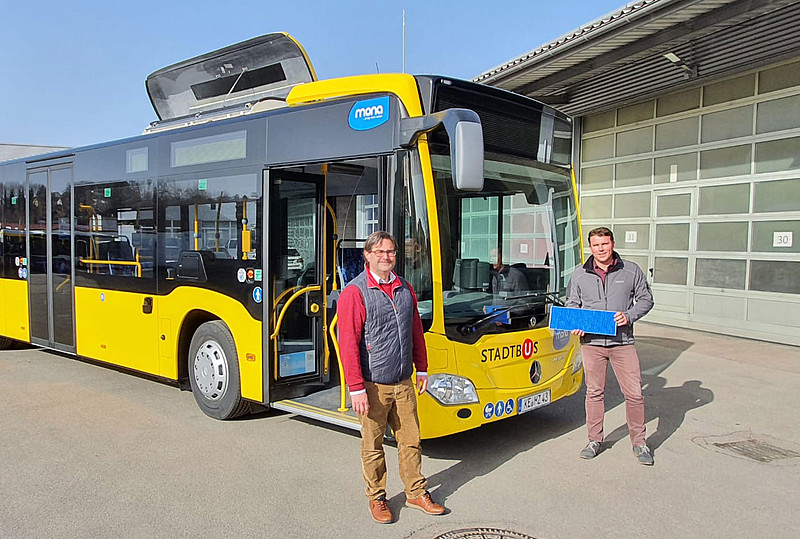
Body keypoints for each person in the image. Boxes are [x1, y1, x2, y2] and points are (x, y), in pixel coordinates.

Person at [337, 230, 446, 524]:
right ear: (368, 256)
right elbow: (347, 342)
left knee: (411, 441)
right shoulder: (355, 293)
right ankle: (377, 498)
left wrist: (421, 368)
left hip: (404, 382)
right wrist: (356, 388)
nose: (386, 257)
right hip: (373, 385)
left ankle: (415, 492)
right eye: (380, 252)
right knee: (372, 446)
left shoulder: (404, 288)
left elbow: (415, 332)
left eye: (391, 252)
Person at [565, 227, 655, 465]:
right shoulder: (580, 274)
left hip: (622, 343)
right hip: (592, 343)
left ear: (612, 244)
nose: (601, 249)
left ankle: (640, 443)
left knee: (634, 394)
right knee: (594, 393)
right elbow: (572, 303)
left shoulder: (631, 270)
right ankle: (594, 440)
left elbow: (646, 299)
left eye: (604, 244)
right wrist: (576, 322)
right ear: (590, 247)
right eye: (596, 245)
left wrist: (629, 315)